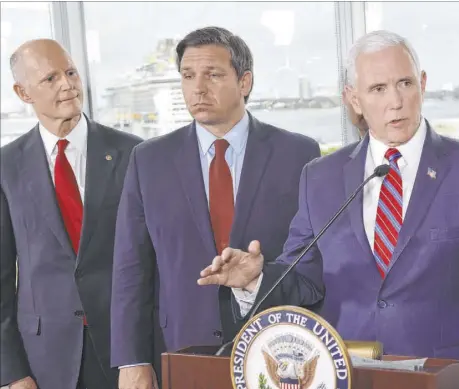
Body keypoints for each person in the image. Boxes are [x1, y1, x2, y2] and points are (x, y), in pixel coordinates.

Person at [197, 30, 459, 361]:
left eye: (405, 83)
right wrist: (255, 280)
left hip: (445, 376)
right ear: (354, 99)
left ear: (422, 83)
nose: (396, 101)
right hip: (350, 372)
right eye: (378, 88)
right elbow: (302, 279)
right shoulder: (319, 178)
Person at [110, 26, 320, 388]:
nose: (197, 88)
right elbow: (131, 268)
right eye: (188, 76)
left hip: (276, 349)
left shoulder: (298, 154)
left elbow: (310, 260)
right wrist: (132, 360)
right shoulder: (149, 160)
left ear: (245, 82)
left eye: (213, 74)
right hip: (181, 348)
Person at [0, 39, 142, 389]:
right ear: (23, 93)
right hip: (44, 358)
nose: (67, 84)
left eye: (70, 72)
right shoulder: (6, 167)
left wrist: (140, 355)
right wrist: (12, 373)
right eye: (50, 79)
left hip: (125, 351)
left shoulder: (133, 153)